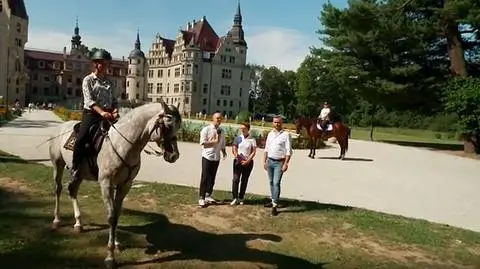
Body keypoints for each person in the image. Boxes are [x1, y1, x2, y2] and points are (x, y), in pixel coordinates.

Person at [68, 49, 118, 197]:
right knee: (81, 139)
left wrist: (115, 111)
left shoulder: (109, 82)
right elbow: (89, 101)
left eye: (107, 63)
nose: (105, 65)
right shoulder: (88, 80)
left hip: (108, 114)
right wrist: (101, 112)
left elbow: (114, 100)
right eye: (102, 62)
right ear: (95, 64)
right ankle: (75, 170)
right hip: (92, 114)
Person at [263, 115, 292, 216]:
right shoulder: (270, 134)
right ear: (272, 123)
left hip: (279, 162)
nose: (276, 124)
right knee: (271, 182)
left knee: (276, 183)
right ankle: (273, 200)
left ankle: (275, 205)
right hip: (270, 161)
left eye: (278, 122)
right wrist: (264, 161)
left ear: (281, 123)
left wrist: (286, 163)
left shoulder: (286, 135)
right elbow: (266, 148)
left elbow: (288, 151)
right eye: (275, 122)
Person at [198, 112, 227, 207]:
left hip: (216, 157)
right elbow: (203, 143)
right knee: (205, 177)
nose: (219, 120)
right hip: (207, 156)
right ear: (213, 119)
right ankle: (201, 197)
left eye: (220, 118)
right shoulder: (206, 129)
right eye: (217, 118)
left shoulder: (222, 131)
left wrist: (224, 152)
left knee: (212, 177)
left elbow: (222, 144)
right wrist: (214, 141)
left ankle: (208, 195)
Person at [230, 122, 257, 205]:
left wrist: (247, 161)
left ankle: (241, 197)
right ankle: (235, 197)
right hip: (238, 162)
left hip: (248, 163)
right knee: (235, 179)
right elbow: (234, 148)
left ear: (248, 129)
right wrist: (236, 156)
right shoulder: (238, 138)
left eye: (244, 128)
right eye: (241, 128)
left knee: (244, 180)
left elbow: (253, 151)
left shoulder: (252, 139)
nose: (242, 130)